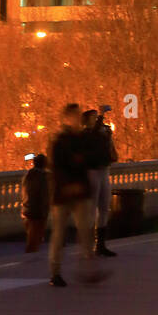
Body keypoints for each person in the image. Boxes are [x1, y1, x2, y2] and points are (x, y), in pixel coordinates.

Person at [48, 103, 94, 287]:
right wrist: (69, 183)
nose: (77, 119)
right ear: (67, 118)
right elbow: (57, 166)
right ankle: (55, 272)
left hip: (79, 192)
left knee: (85, 232)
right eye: (74, 116)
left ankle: (88, 269)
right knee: (60, 234)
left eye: (78, 116)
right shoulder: (60, 140)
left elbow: (88, 159)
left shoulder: (81, 139)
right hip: (64, 193)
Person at [82, 107, 118, 258]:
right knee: (92, 208)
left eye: (97, 117)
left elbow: (107, 142)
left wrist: (113, 150)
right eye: (94, 117)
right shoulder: (85, 133)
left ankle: (100, 244)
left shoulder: (102, 131)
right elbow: (93, 137)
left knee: (104, 207)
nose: (97, 119)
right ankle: (89, 245)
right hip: (92, 170)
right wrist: (101, 117)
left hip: (104, 169)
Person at [20, 153, 50, 253]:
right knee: (34, 241)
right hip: (37, 213)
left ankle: (30, 258)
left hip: (26, 211)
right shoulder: (43, 177)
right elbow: (44, 196)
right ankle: (30, 261)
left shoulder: (28, 175)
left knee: (31, 240)